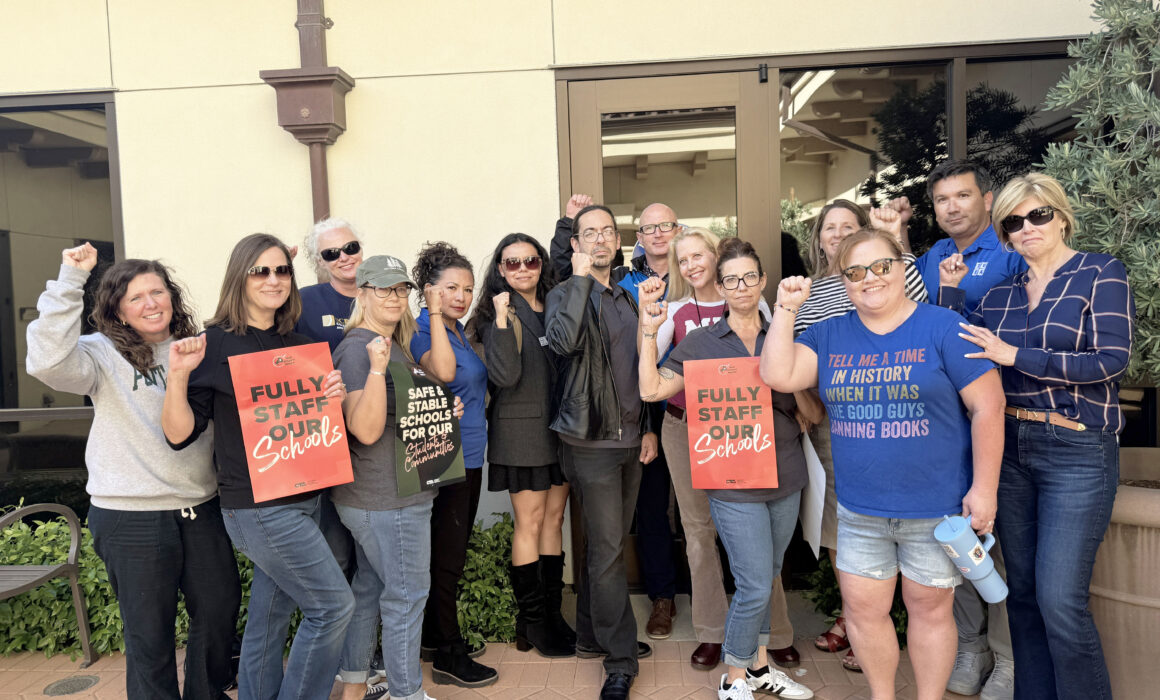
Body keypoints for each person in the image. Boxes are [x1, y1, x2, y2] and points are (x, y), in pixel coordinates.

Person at [761, 228, 1006, 700]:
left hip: (936, 510)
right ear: (843, 281)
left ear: (902, 267)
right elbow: (778, 373)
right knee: (863, 613)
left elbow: (988, 407)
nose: (869, 279)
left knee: (931, 611)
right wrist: (788, 308)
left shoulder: (943, 327)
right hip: (860, 510)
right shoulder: (831, 334)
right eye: (855, 272)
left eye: (881, 266)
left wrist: (984, 489)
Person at [940, 173, 1134, 700]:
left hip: (1077, 448)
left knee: (1059, 600)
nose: (1026, 228)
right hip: (1012, 451)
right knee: (1020, 595)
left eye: (1037, 215)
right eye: (1012, 221)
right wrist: (951, 294)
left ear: (1061, 215)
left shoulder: (1099, 273)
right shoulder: (1001, 296)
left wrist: (1017, 357)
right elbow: (959, 346)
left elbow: (1112, 361)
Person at [26, 244, 240, 700]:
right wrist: (69, 279)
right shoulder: (100, 354)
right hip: (130, 516)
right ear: (118, 311)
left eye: (157, 292)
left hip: (200, 506)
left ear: (172, 296)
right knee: (149, 635)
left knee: (219, 614)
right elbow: (45, 361)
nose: (151, 303)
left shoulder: (200, 348)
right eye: (137, 297)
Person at [162, 233, 353, 700]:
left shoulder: (300, 343)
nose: (274, 280)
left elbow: (318, 425)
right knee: (332, 607)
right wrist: (178, 377)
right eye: (261, 271)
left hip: (308, 496)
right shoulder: (213, 344)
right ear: (240, 277)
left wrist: (333, 397)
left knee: (269, 618)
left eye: (282, 270)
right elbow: (178, 433)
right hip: (259, 507)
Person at [638, 238, 815, 700]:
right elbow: (653, 389)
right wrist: (646, 330)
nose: (740, 286)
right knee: (755, 581)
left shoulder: (787, 331)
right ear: (720, 284)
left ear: (762, 282)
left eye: (749, 277)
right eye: (731, 279)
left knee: (770, 569)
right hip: (731, 476)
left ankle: (758, 667)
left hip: (785, 471)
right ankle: (734, 677)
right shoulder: (700, 341)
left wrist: (793, 384)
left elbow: (813, 412)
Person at [892, 161, 1021, 697]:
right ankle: (972, 648)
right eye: (942, 199)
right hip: (947, 426)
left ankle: (1013, 660)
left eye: (962, 196)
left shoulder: (1014, 254)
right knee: (960, 538)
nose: (952, 207)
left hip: (1003, 414)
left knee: (1005, 543)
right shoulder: (932, 259)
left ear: (987, 200)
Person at [794, 201, 928, 674]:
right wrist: (808, 406)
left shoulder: (889, 274)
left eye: (848, 226)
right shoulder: (808, 295)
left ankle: (891, 623)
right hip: (834, 424)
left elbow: (920, 308)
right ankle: (858, 620)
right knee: (841, 528)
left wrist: (899, 239)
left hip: (897, 417)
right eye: (829, 228)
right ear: (820, 238)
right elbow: (797, 363)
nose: (837, 234)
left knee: (902, 525)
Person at [551, 195, 681, 642]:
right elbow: (564, 343)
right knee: (608, 550)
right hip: (591, 443)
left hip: (631, 440)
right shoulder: (564, 293)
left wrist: (647, 428)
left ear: (620, 240)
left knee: (605, 548)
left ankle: (590, 633)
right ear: (577, 244)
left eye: (607, 231)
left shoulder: (629, 296)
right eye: (590, 233)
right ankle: (620, 654)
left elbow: (638, 366)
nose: (600, 239)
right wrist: (581, 279)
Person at [331, 255, 439, 700]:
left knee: (371, 587)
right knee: (408, 595)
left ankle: (354, 682)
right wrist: (377, 369)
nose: (395, 297)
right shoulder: (361, 348)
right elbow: (366, 428)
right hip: (385, 498)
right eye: (383, 289)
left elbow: (397, 414)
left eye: (401, 289)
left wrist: (439, 413)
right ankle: (406, 694)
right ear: (363, 293)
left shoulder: (392, 342)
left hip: (384, 493)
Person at [467, 233, 574, 658]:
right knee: (529, 524)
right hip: (520, 432)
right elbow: (506, 375)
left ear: (541, 264)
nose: (523, 269)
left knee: (555, 519)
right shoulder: (495, 314)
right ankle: (531, 620)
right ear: (500, 270)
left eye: (531, 261)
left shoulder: (555, 305)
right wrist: (501, 319)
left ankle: (551, 616)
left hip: (559, 430)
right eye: (512, 264)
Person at [408, 241, 499, 688]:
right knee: (447, 557)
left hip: (472, 452)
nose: (461, 296)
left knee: (449, 551)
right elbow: (443, 373)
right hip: (446, 457)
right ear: (429, 291)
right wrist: (433, 315)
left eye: (467, 288)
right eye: (449, 288)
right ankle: (448, 652)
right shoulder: (425, 331)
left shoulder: (459, 330)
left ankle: (432, 635)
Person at [297, 217, 365, 351]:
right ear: (320, 261)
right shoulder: (304, 301)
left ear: (360, 249)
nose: (344, 258)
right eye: (331, 253)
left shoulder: (384, 294)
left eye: (351, 248)